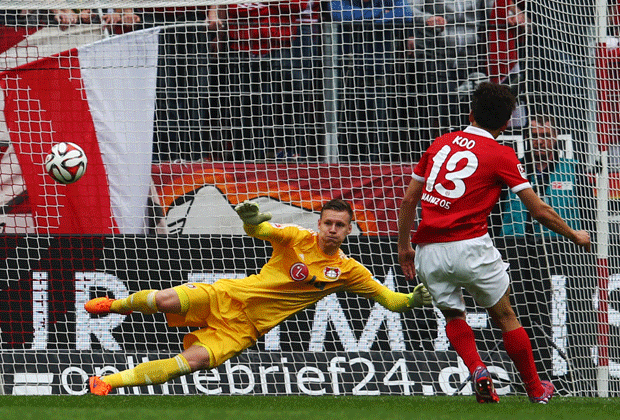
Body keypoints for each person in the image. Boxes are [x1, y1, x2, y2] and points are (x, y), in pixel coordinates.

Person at [86, 198, 432, 395]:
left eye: (339, 225)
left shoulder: (349, 271)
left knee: (191, 363)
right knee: (163, 300)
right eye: (327, 222)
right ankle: (115, 305)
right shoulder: (297, 238)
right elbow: (262, 230)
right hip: (227, 295)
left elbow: (390, 301)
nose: (331, 229)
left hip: (244, 329)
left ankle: (108, 382)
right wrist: (251, 222)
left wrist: (413, 300)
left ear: (348, 229)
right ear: (320, 223)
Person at [397, 82, 590, 404]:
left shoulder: (440, 144)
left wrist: (405, 248)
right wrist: (575, 234)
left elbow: (408, 202)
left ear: (471, 113)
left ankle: (476, 369)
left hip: (429, 249)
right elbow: (538, 209)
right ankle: (535, 389)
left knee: (453, 316)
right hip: (471, 247)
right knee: (505, 316)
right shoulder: (501, 154)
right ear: (505, 124)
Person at [206, 1, 308, 161]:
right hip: (241, 48)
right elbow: (231, 8)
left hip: (280, 47)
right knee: (244, 105)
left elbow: (298, 5)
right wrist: (220, 35)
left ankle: (289, 152)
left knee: (289, 98)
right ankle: (246, 157)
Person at [501, 114, 588, 238]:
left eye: (545, 136)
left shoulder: (574, 171)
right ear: (527, 138)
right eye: (535, 136)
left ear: (555, 136)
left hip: (562, 248)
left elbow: (589, 213)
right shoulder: (511, 169)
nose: (540, 142)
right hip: (516, 245)